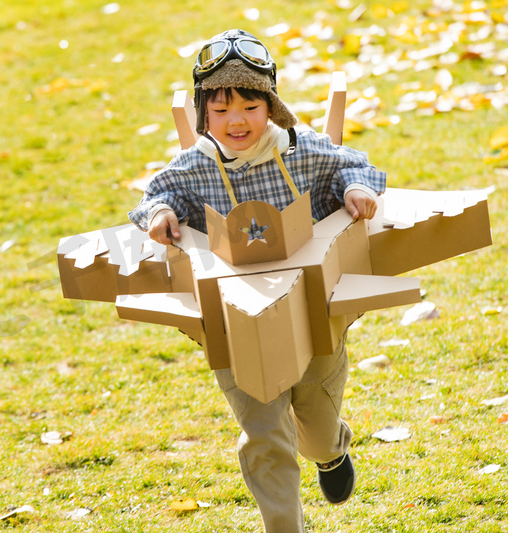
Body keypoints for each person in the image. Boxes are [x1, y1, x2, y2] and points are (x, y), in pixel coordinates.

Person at [128, 29, 386, 532]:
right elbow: (153, 195)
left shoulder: (301, 150)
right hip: (237, 317)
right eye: (220, 110)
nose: (236, 121)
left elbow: (359, 167)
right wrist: (159, 214)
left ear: (270, 103)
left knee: (312, 425)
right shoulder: (195, 167)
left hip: (311, 313)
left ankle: (330, 451)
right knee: (265, 436)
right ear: (205, 115)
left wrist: (354, 189)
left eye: (248, 105)